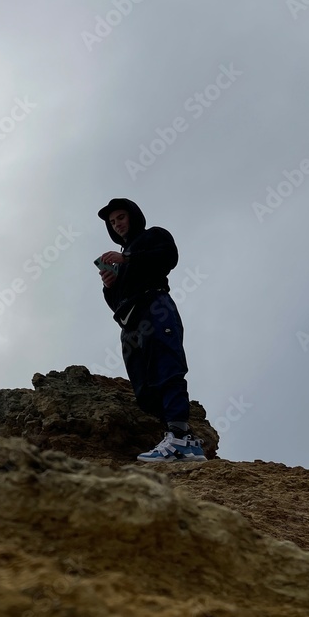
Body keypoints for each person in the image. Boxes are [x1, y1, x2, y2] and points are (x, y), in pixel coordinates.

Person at [96, 197, 205, 462]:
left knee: (167, 368)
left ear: (132, 215)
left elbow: (169, 256)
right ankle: (177, 435)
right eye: (112, 222)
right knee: (144, 388)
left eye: (120, 217)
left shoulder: (153, 236)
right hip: (130, 323)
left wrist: (127, 257)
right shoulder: (120, 261)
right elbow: (116, 304)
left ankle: (180, 438)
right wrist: (110, 286)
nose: (117, 224)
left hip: (155, 306)